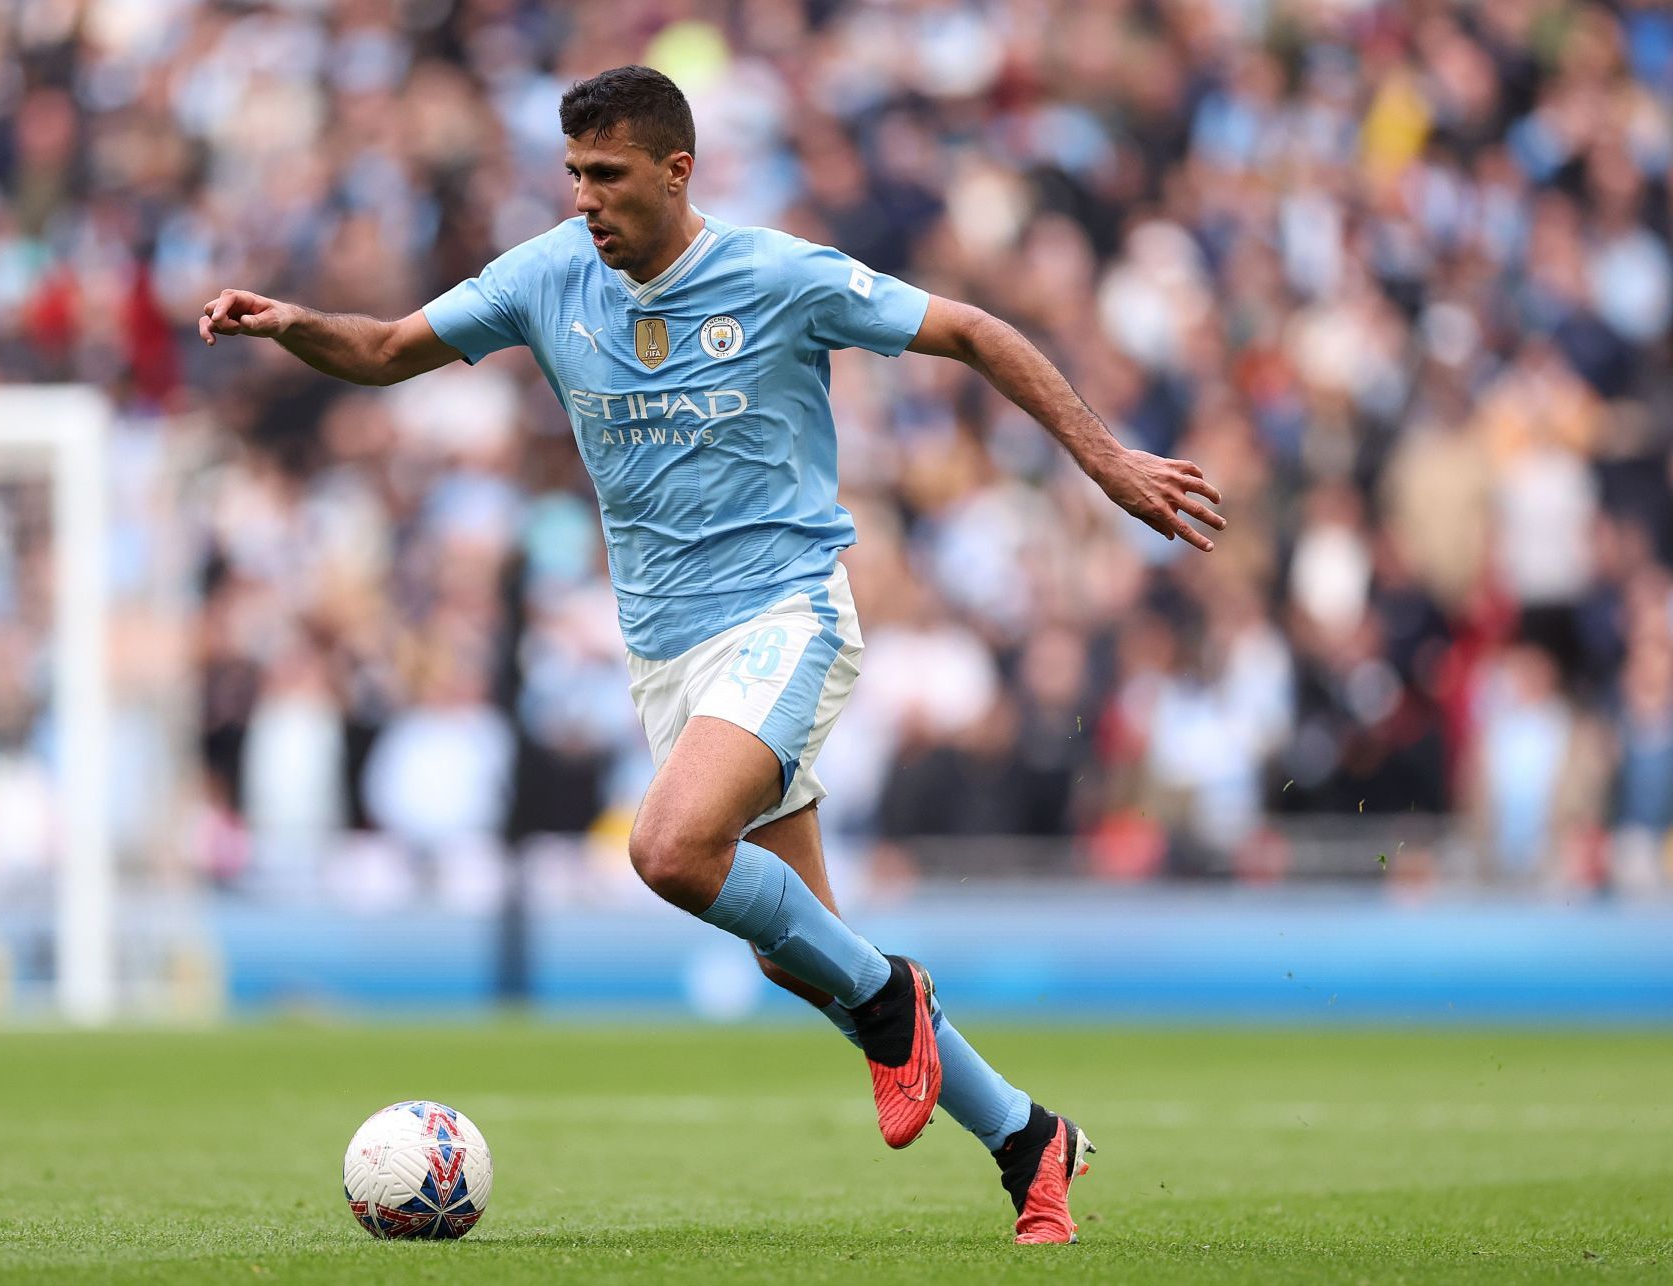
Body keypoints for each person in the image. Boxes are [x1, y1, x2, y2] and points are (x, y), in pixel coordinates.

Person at [200, 65, 1224, 1245]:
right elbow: (382, 348)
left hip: (788, 617)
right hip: (670, 660)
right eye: (574, 173)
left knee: (671, 847)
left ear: (677, 172)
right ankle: (1026, 1137)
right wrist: (291, 325)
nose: (585, 198)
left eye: (609, 175)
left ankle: (901, 997)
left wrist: (1111, 462)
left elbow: (973, 329)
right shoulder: (547, 277)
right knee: (810, 961)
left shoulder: (777, 275)